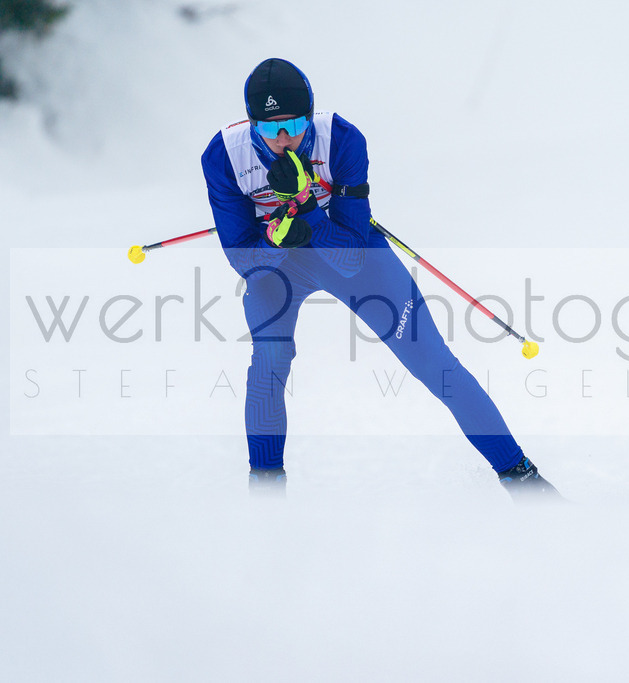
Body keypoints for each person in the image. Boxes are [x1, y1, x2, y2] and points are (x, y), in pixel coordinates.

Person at [201, 58, 558, 500]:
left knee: (434, 363)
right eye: (268, 128)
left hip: (341, 245)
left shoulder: (343, 140)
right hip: (279, 265)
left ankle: (523, 480)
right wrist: (278, 240)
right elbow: (244, 261)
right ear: (251, 123)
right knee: (270, 361)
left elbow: (351, 258)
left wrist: (308, 208)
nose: (282, 138)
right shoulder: (223, 156)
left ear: (309, 114)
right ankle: (267, 497)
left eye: (293, 123)